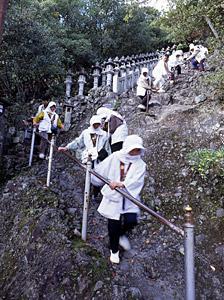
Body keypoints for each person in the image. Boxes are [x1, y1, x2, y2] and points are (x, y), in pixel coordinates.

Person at [91, 135, 146, 264]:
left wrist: (122, 184)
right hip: (113, 196)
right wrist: (95, 177)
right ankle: (114, 250)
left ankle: (121, 234)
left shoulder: (140, 164)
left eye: (138, 150)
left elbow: (137, 181)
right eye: (133, 149)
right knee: (113, 224)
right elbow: (102, 169)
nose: (135, 152)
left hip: (129, 196)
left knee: (131, 220)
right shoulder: (116, 157)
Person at [58, 115, 109, 200]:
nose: (96, 125)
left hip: (100, 157)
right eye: (95, 124)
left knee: (98, 175)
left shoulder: (104, 134)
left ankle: (95, 193)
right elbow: (78, 142)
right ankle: (87, 193)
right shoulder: (86, 132)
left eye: (98, 124)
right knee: (89, 173)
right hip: (88, 156)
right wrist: (67, 147)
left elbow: (107, 148)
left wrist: (107, 157)